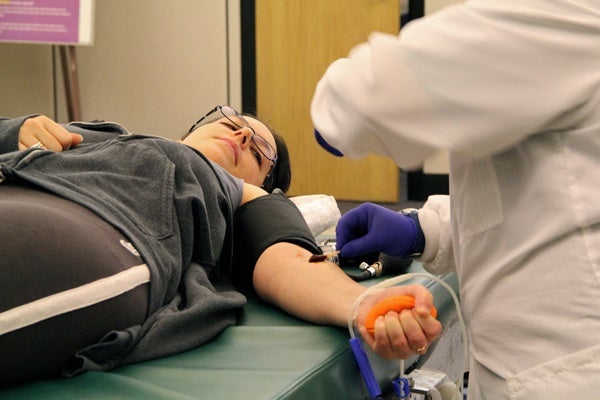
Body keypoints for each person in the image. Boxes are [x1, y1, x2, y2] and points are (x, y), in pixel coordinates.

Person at [0, 108, 440, 385]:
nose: (243, 136)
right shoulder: (101, 132)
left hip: (98, 226)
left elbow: (287, 263)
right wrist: (17, 129)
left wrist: (362, 303)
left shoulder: (237, 193)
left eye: (260, 151)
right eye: (231, 122)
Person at [310, 1, 600, 398]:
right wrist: (424, 231)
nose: (242, 137)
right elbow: (546, 191)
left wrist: (330, 107)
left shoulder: (562, 12)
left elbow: (367, 97)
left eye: (262, 145)